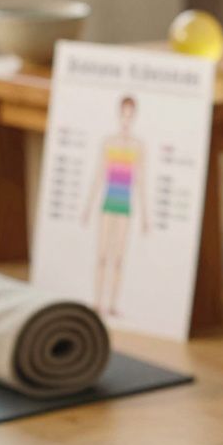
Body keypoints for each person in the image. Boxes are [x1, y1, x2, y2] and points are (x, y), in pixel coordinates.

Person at [81, 95, 149, 317]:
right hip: (108, 203)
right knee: (102, 255)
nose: (126, 120)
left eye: (130, 116)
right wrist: (88, 207)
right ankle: (97, 302)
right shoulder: (108, 142)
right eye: (124, 115)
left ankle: (111, 304)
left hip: (125, 206)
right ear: (119, 115)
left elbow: (141, 181)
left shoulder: (138, 146)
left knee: (118, 259)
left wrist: (146, 216)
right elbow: (99, 175)